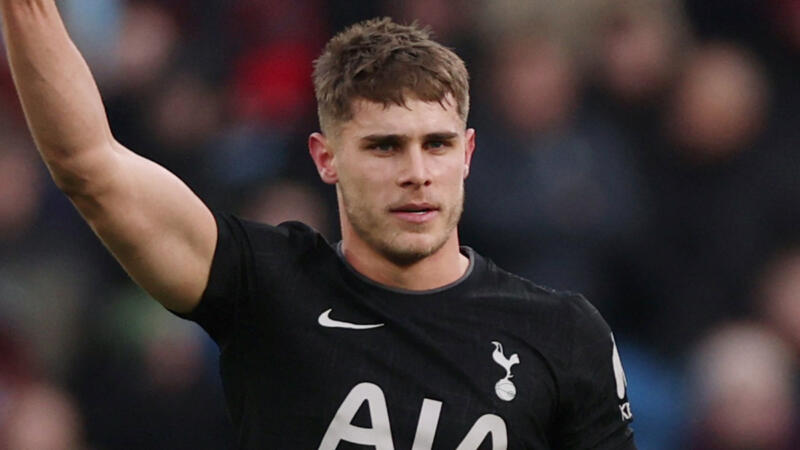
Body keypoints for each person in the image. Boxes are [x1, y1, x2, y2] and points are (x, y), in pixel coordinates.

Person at [0, 1, 636, 448]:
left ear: (467, 153)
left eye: (437, 144)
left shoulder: (563, 335)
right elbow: (88, 165)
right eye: (384, 146)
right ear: (325, 158)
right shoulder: (267, 286)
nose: (417, 173)